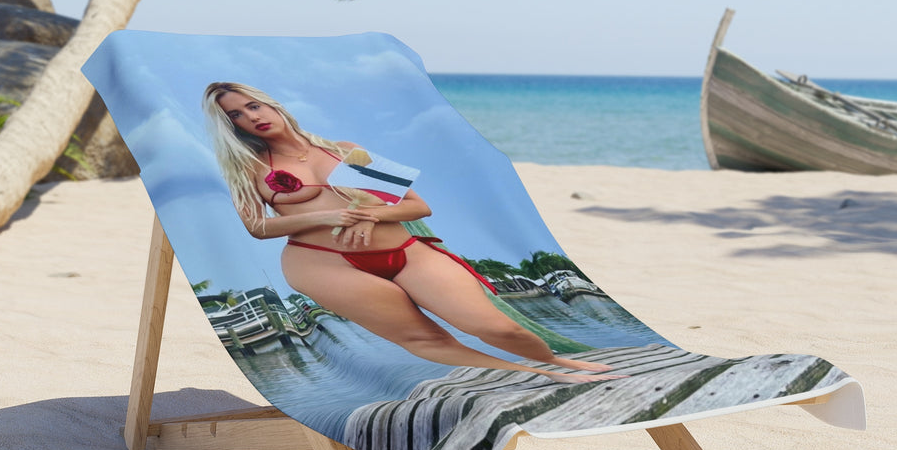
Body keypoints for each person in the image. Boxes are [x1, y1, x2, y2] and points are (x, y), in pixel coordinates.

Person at [202, 81, 622, 384]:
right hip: (319, 263)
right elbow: (257, 227)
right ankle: (533, 374)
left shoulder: (346, 151)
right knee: (423, 337)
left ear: (272, 105)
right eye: (235, 115)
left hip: (404, 249)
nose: (249, 117)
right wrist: (326, 219)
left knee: (494, 326)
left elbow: (419, 207)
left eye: (252, 105)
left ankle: (561, 363)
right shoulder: (247, 168)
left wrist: (369, 216)